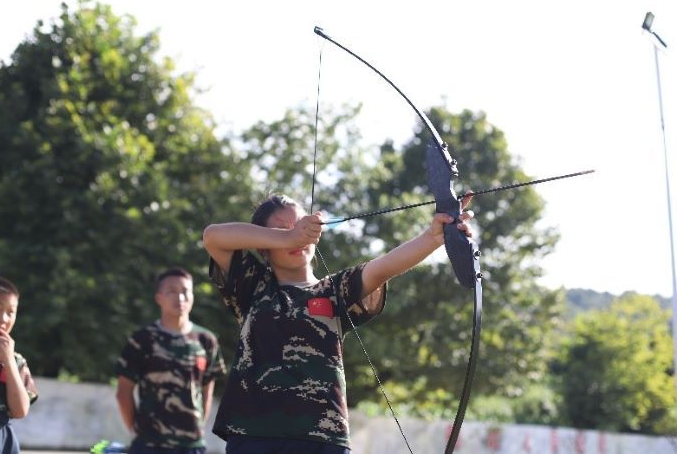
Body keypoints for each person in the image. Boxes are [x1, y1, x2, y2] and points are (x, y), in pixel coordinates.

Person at [202, 194, 474, 454]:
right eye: (282, 230)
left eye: (301, 225)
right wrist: (289, 237)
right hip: (255, 434)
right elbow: (213, 237)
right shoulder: (252, 284)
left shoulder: (334, 290)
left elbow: (384, 266)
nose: (298, 234)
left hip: (324, 434)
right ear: (264, 246)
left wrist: (434, 236)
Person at [115, 267, 226, 454]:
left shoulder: (206, 340)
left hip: (192, 446)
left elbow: (207, 390)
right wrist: (135, 431)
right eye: (172, 291)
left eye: (185, 291)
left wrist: (198, 428)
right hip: (149, 444)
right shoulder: (143, 340)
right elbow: (123, 392)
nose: (180, 298)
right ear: (159, 297)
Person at [0, 276, 38, 454]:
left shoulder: (15, 360)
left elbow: (20, 411)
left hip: (2, 442)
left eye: (11, 312)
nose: (4, 319)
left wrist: (8, 361)